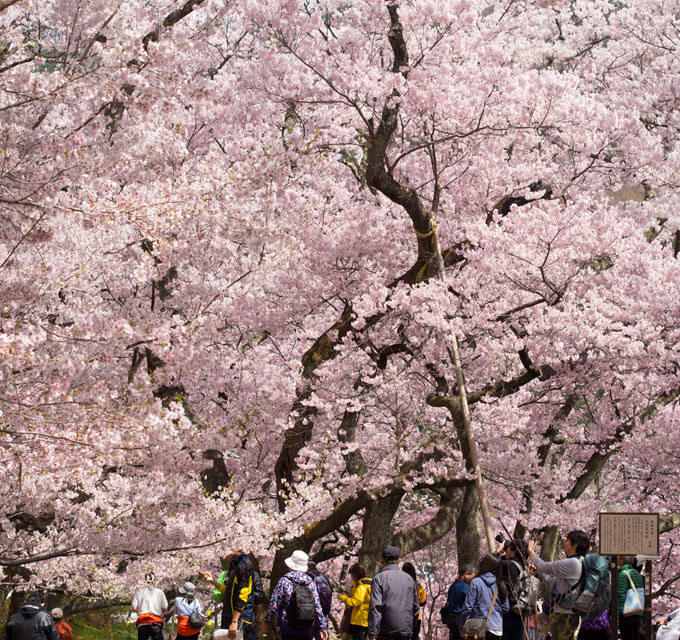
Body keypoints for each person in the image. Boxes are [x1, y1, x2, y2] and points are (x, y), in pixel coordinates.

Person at [528, 529, 590, 640]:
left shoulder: (572, 563)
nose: (564, 542)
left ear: (575, 545)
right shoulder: (577, 562)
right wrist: (540, 573)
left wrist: (531, 552)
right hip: (567, 614)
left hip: (565, 616)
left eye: (567, 540)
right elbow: (553, 583)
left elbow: (543, 566)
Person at [264, 550, 328, 640]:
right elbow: (317, 606)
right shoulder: (310, 582)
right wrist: (322, 627)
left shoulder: (285, 580)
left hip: (287, 625)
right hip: (306, 624)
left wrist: (267, 620)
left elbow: (274, 603)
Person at [200, 550, 256, 640]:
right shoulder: (235, 564)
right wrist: (213, 580)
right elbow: (229, 591)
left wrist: (234, 621)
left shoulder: (244, 564)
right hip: (229, 614)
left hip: (239, 617)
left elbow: (243, 594)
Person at [367, 546, 419, 640]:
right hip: (406, 630)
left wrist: (373, 634)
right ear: (399, 560)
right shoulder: (409, 579)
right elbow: (416, 607)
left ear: (382, 560)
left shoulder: (379, 578)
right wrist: (410, 626)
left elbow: (375, 606)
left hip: (386, 630)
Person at [460, 554, 510, 640]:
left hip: (477, 628)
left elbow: (468, 607)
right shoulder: (501, 584)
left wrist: (462, 625)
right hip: (496, 628)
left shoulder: (476, 582)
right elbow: (506, 607)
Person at [495, 539, 527, 640]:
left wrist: (498, 552)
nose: (505, 550)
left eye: (507, 549)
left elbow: (486, 564)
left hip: (506, 611)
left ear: (513, 552)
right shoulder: (524, 567)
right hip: (520, 611)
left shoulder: (506, 565)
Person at [338, 563, 372, 640]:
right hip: (367, 618)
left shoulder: (361, 587)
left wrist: (343, 598)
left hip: (359, 619)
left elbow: (356, 602)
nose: (351, 577)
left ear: (355, 575)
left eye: (351, 574)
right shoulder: (370, 585)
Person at [131, 572, 169, 640]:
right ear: (155, 580)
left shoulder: (138, 592)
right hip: (156, 621)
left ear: (145, 580)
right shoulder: (160, 592)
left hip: (142, 622)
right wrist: (159, 611)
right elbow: (165, 608)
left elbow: (134, 608)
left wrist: (140, 610)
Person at [445, 565, 476, 640]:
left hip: (450, 617)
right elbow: (471, 601)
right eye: (472, 577)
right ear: (466, 574)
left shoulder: (455, 583)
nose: (473, 580)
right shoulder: (463, 586)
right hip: (458, 618)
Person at [618, 556, 644, 640]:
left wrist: (616, 614)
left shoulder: (622, 574)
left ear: (622, 560)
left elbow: (620, 595)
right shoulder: (637, 574)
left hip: (627, 614)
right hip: (637, 612)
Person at [308, 560, 333, 640]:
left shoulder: (307, 577)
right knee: (322, 636)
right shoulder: (324, 576)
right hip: (324, 612)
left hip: (311, 613)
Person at [401, 562, 426, 640]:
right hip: (416, 618)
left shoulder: (400, 585)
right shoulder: (418, 586)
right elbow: (423, 602)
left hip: (402, 617)